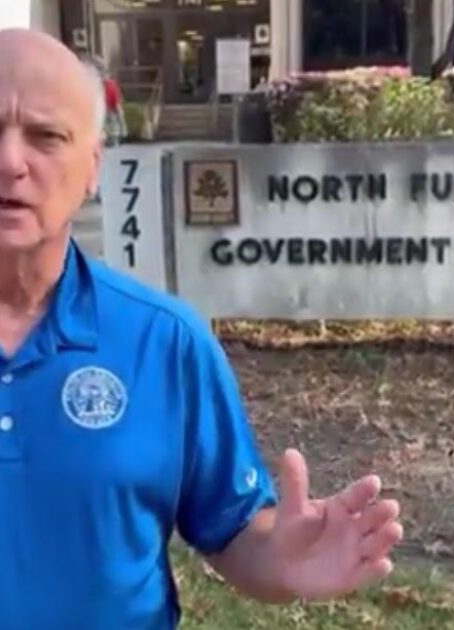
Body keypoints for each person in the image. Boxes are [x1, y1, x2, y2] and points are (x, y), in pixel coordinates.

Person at [0, 28, 403, 630]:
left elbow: (233, 530)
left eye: (46, 136)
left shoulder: (164, 342)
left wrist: (282, 560)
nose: (10, 162)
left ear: (92, 168)